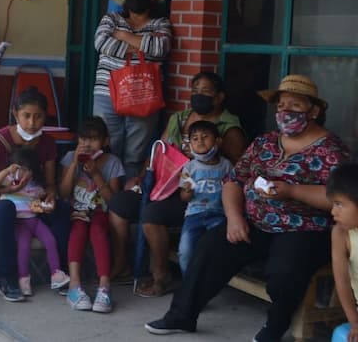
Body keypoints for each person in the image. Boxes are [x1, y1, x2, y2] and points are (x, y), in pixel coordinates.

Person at [146, 74, 351, 342]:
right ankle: (182, 315)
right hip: (255, 222)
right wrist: (233, 217)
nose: (285, 112)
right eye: (281, 106)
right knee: (210, 246)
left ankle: (274, 328)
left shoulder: (331, 150)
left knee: (285, 270)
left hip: (304, 228)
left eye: (295, 106)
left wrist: (293, 191)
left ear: (313, 111)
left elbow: (340, 196)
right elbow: (234, 180)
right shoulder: (265, 142)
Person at [107, 71, 247, 297]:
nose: (198, 96)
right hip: (164, 184)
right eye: (195, 91)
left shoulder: (228, 127)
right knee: (119, 203)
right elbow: (158, 150)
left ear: (219, 97)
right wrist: (141, 178)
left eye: (206, 92)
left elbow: (238, 169)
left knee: (152, 215)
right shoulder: (180, 119)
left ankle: (162, 277)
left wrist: (203, 157)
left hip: (197, 195)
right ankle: (123, 265)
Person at [0, 86, 70, 302]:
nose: (32, 123)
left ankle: (62, 273)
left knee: (63, 209)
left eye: (38, 117)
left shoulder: (47, 142)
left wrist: (49, 196)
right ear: (15, 113)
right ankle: (6, 279)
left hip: (32, 205)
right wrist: (7, 190)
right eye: (26, 116)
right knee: (6, 210)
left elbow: (48, 183)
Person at [93, 0, 172, 180]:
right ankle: (104, 198)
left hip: (144, 95)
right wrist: (141, 45)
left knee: (135, 154)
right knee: (106, 147)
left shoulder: (161, 23)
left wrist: (123, 35)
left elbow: (159, 49)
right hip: (107, 93)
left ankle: (127, 199)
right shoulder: (111, 18)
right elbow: (101, 43)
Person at [59, 116, 125, 312]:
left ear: (105, 141)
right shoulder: (70, 157)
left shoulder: (112, 162)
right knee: (78, 230)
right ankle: (74, 285)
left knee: (97, 230)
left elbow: (113, 201)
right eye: (83, 139)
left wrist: (96, 174)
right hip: (77, 210)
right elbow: (63, 193)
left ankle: (104, 287)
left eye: (94, 139)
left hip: (101, 211)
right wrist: (73, 165)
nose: (87, 144)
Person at [0, 146, 70, 297]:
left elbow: (40, 200)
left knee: (50, 241)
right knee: (23, 248)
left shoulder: (35, 185)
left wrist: (45, 205)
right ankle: (23, 280)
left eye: (27, 170)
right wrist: (8, 171)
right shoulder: (10, 181)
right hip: (19, 222)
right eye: (19, 169)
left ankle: (56, 274)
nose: (22, 174)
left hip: (34, 219)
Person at [177, 120, 232, 274]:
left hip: (218, 215)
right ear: (190, 144)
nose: (200, 141)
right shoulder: (189, 167)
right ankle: (188, 285)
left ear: (218, 141)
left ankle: (210, 281)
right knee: (185, 251)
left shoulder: (226, 165)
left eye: (205, 136)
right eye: (195, 138)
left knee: (217, 250)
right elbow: (184, 197)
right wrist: (187, 192)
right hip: (193, 215)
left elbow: (233, 189)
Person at [327, 163, 358, 342]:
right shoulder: (341, 234)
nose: (333, 212)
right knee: (342, 335)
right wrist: (355, 322)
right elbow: (342, 283)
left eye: (339, 204)